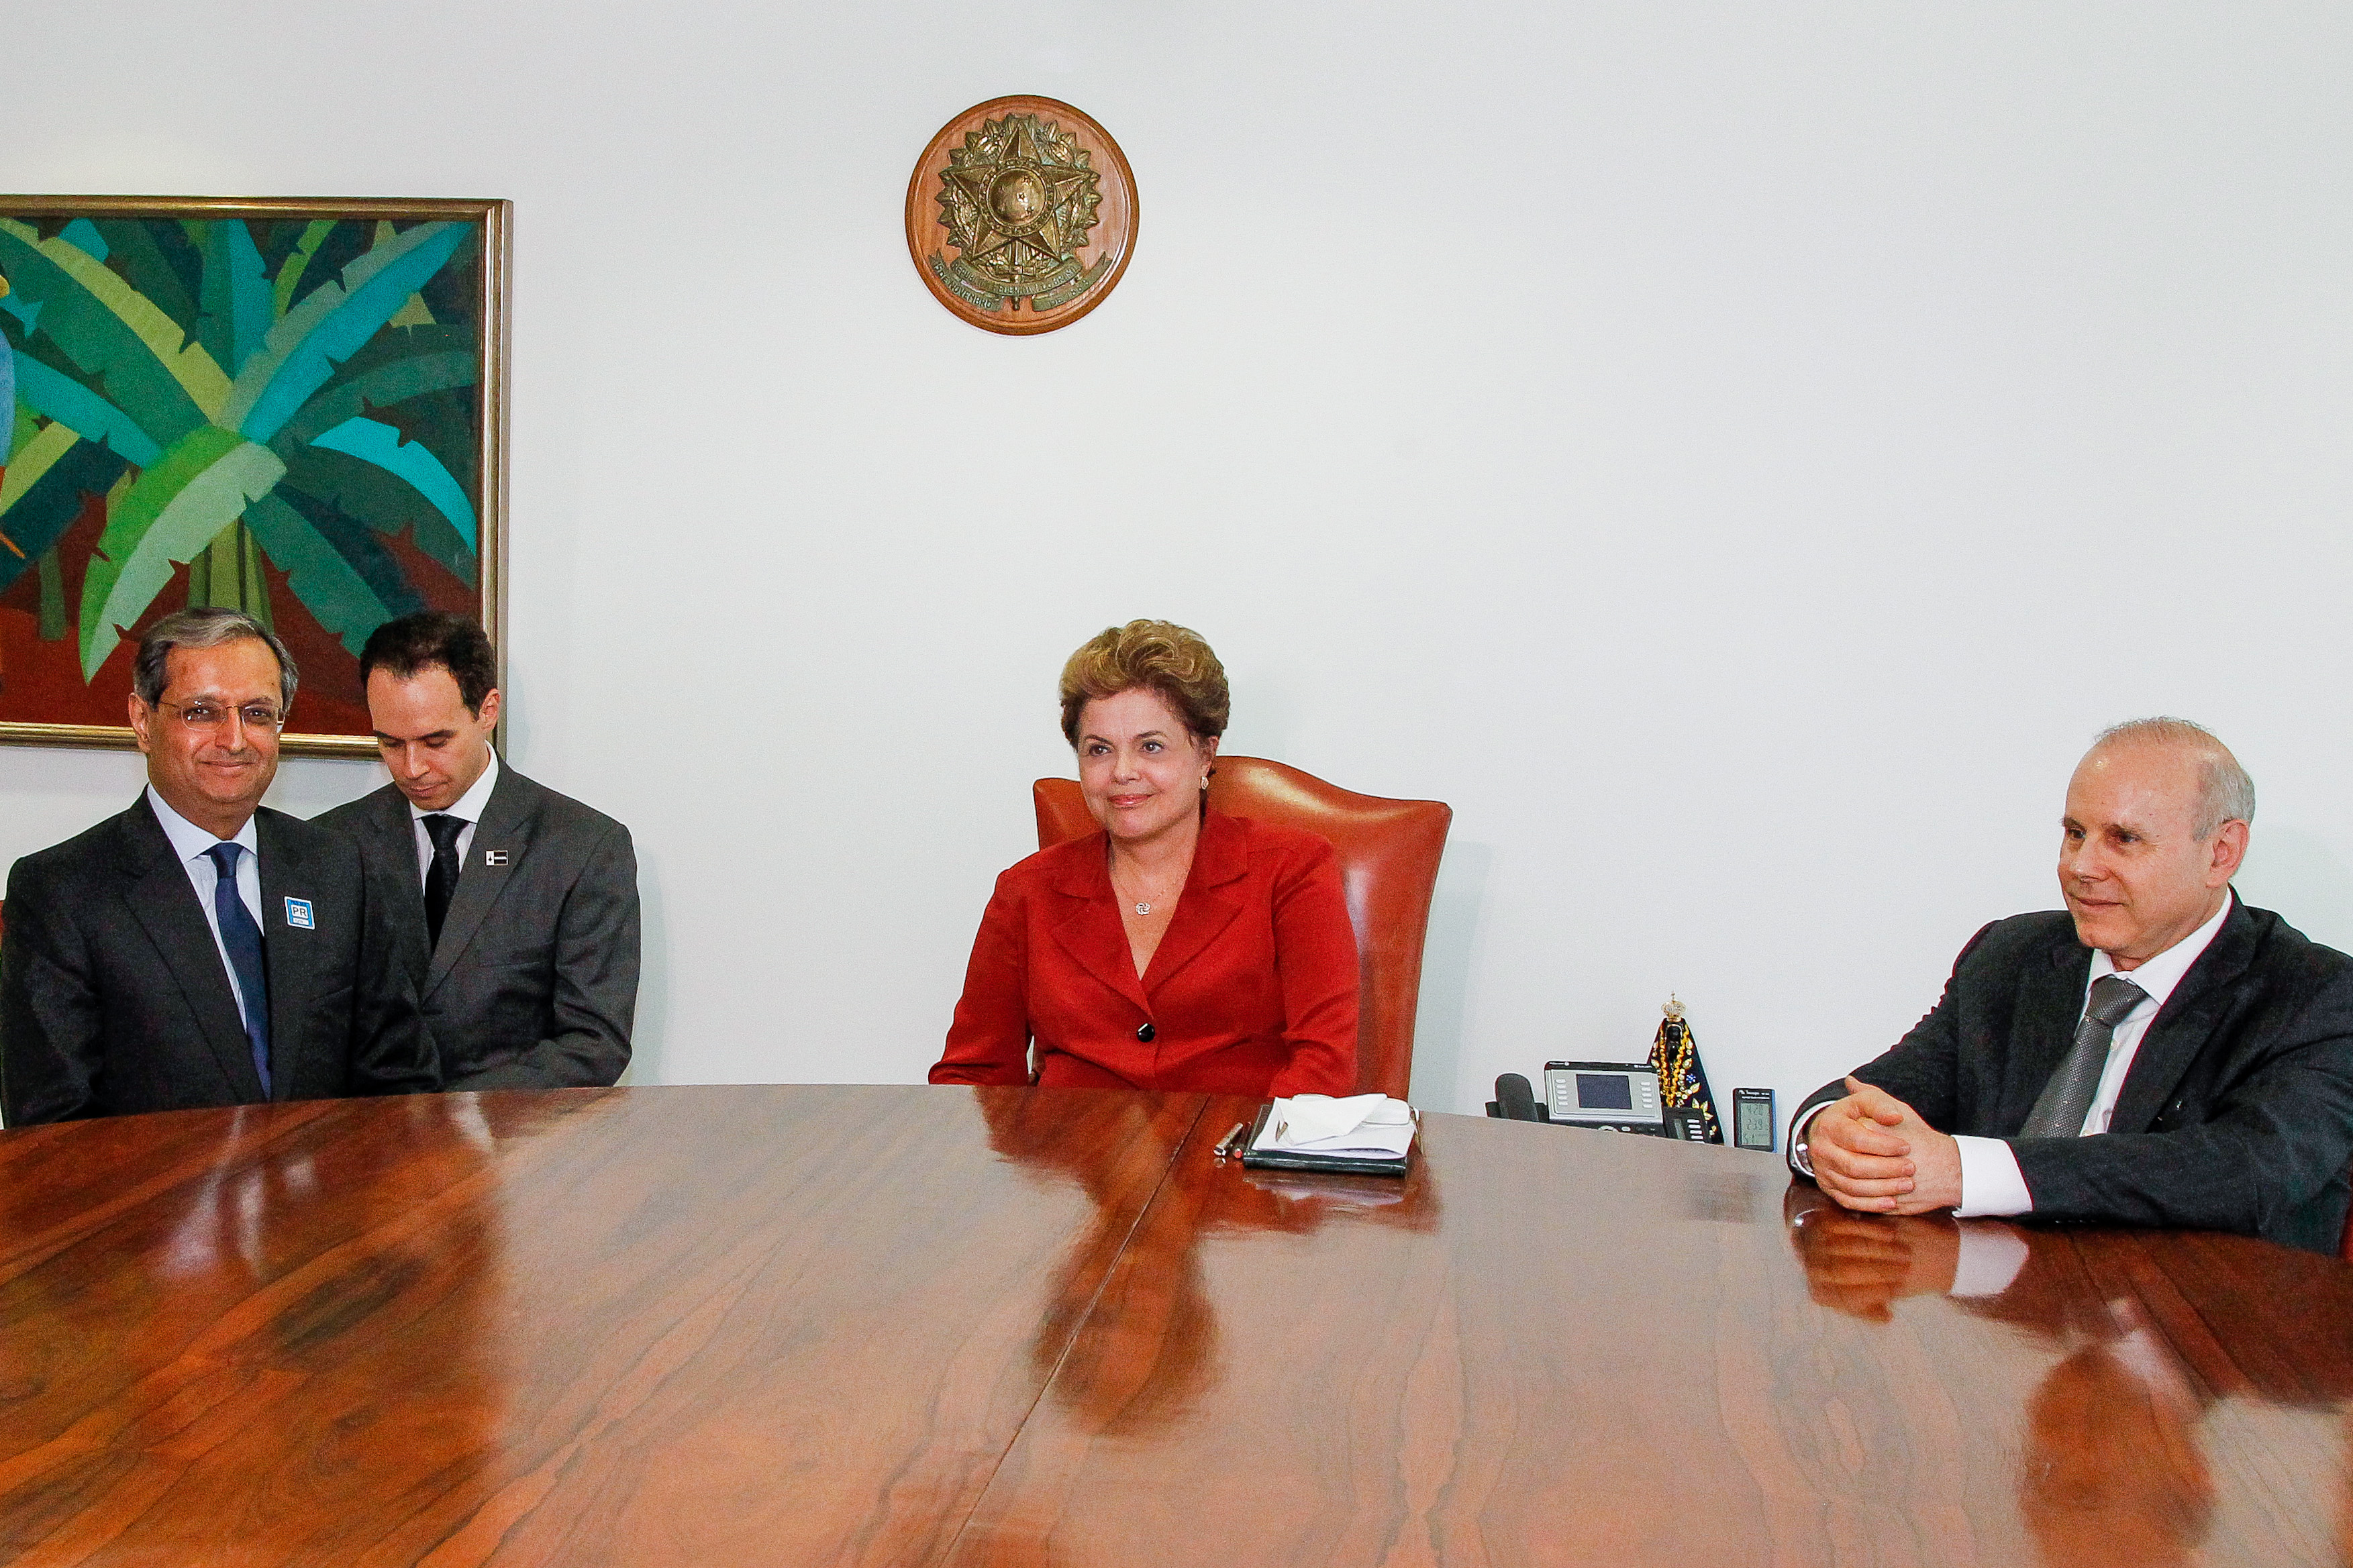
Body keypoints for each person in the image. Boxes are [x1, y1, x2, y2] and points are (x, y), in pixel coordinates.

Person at [1791, 717, 2353, 1253]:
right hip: (2001, 1318)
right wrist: (1827, 1134)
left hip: (2200, 1329)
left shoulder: (2315, 994)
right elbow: (1882, 1091)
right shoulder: (2013, 956)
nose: (2081, 866)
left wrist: (1968, 1173)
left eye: (2124, 839)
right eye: (2075, 833)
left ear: (2221, 852)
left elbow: (2244, 1172)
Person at [0, 609, 435, 1124]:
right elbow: (53, 1127)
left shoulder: (336, 870)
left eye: (256, 713)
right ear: (143, 721)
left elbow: (400, 1079)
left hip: (327, 1198)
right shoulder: (61, 892)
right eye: (202, 713)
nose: (233, 739)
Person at [930, 619, 1358, 1097]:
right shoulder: (1025, 891)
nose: (1123, 772)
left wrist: (1245, 1162)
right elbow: (972, 1078)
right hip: (1070, 1165)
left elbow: (1323, 1071)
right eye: (1099, 750)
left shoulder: (1292, 870)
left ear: (1205, 755)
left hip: (1236, 1159)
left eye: (1150, 746)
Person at [315, 611, 639, 1090]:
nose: (412, 767)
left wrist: (461, 1121)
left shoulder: (582, 847)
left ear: (488, 710)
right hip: (365, 1148)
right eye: (390, 743)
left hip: (519, 1150)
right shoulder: (331, 844)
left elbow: (594, 1042)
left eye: (435, 740)